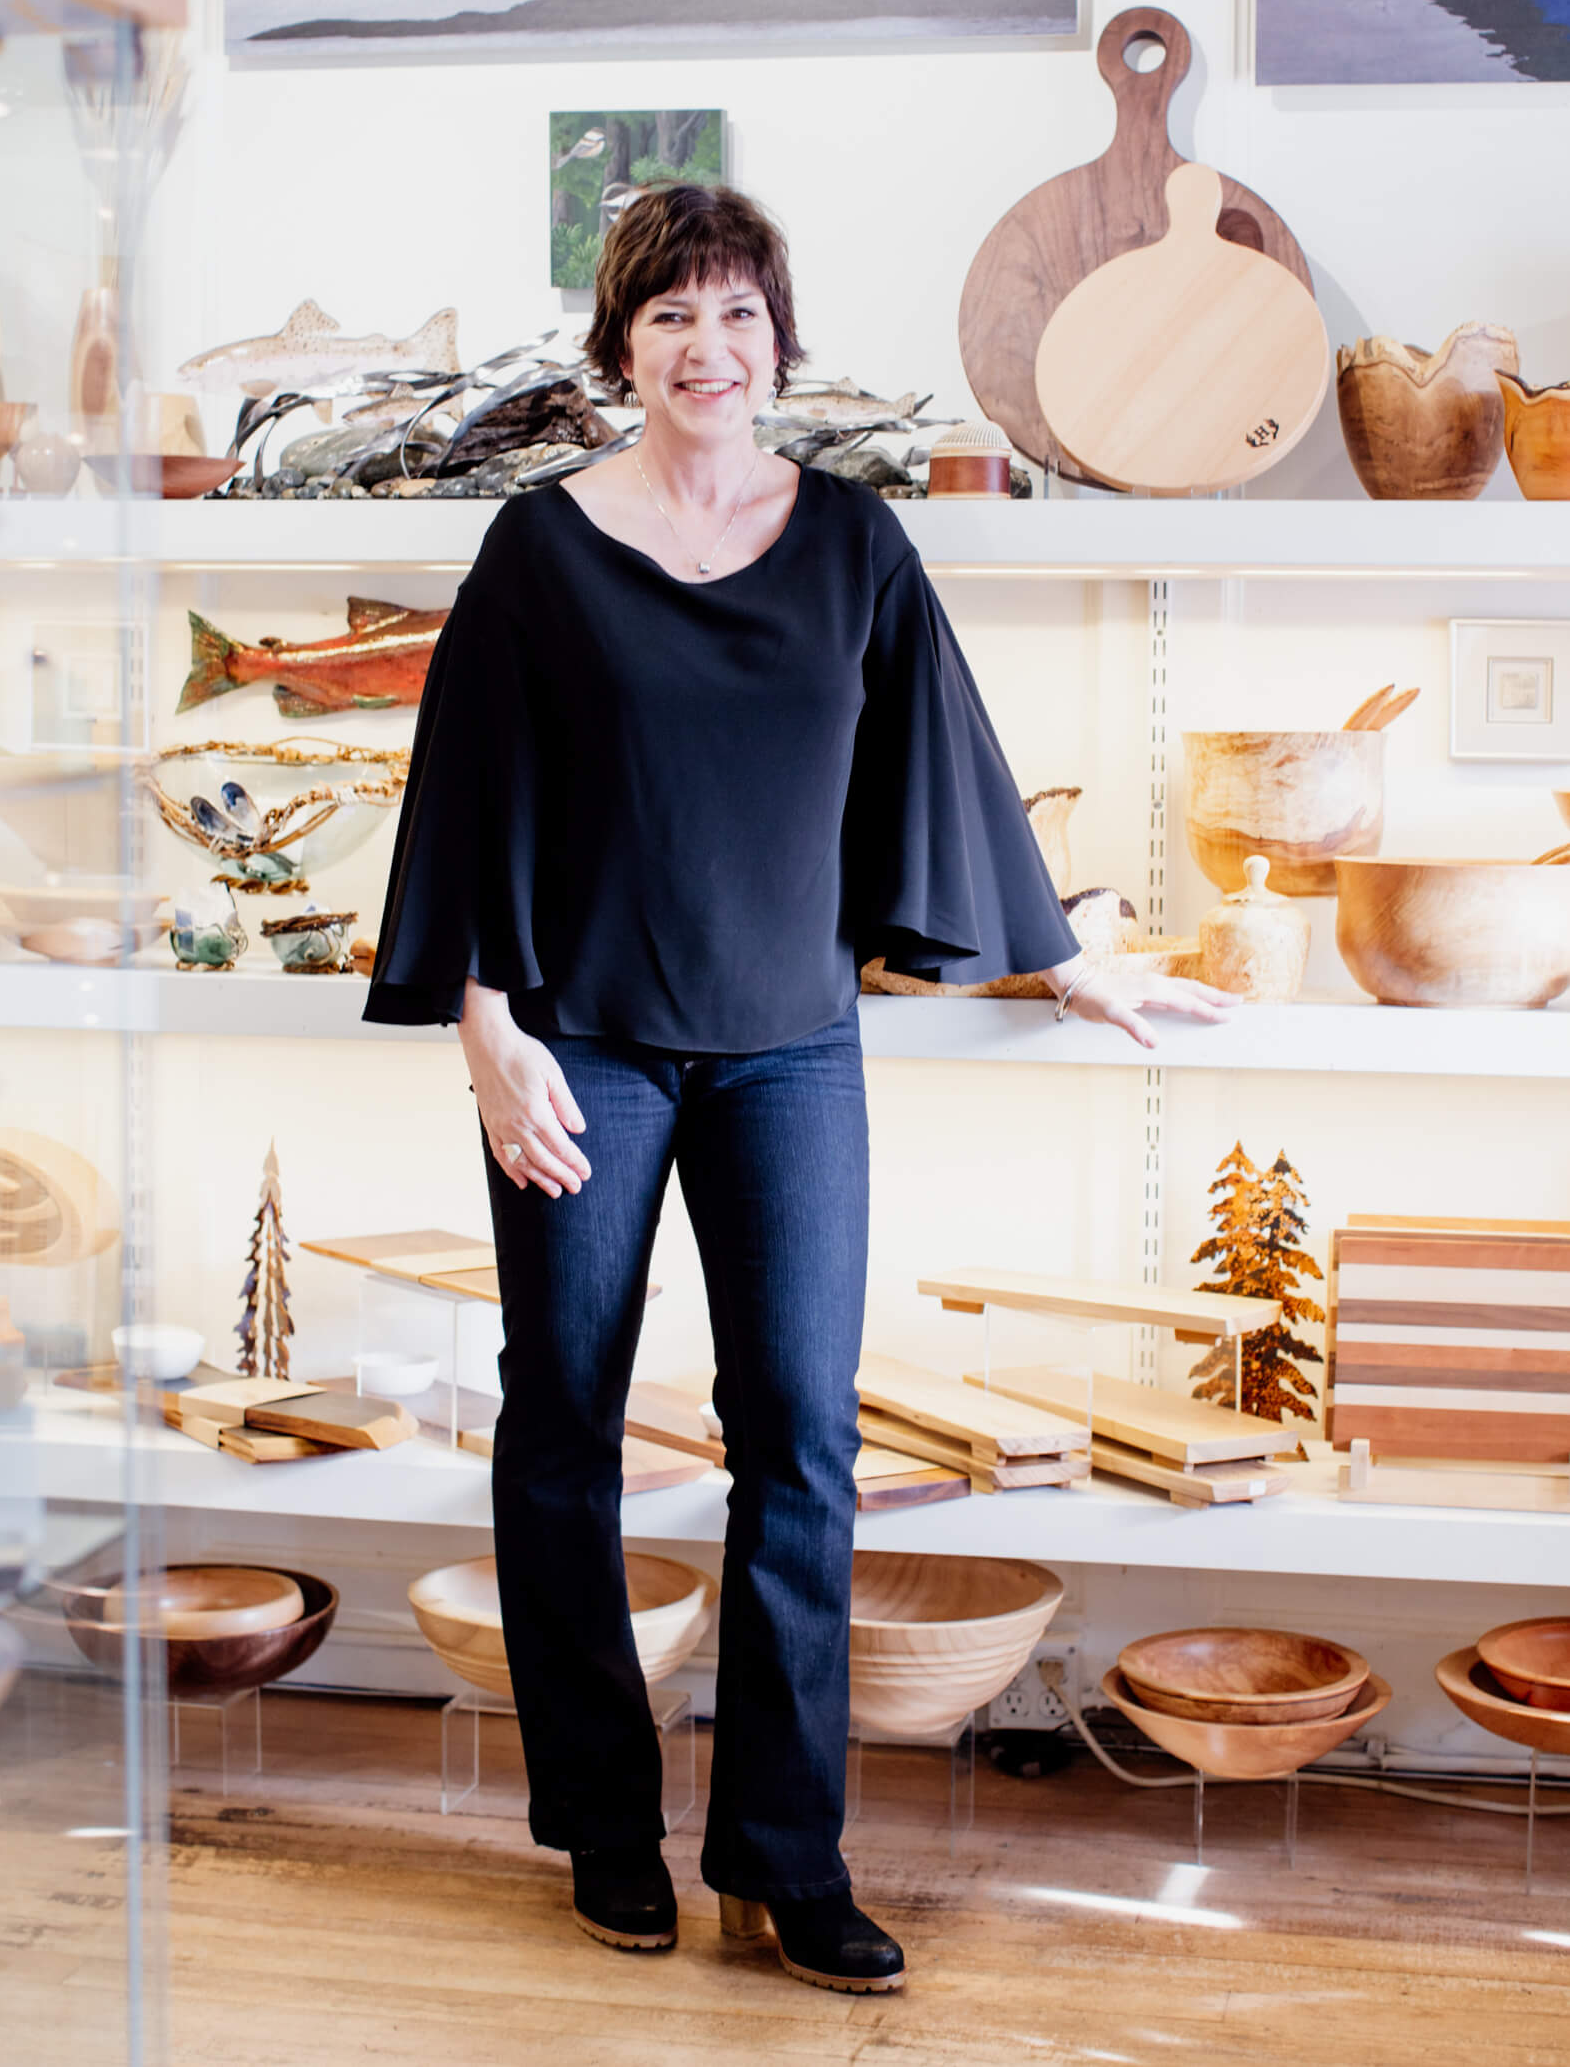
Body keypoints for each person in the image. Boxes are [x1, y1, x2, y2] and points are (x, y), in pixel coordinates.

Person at [364, 184, 1235, 1995]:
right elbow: (462, 795)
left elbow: (950, 771)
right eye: (673, 315)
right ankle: (606, 1833)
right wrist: (485, 1026)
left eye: (740, 312)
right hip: (576, 1047)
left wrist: (1059, 960)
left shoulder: (853, 544)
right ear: (623, 346)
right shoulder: (538, 549)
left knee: (802, 1447)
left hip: (785, 1051)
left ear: (781, 339)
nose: (710, 346)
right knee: (564, 1430)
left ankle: (783, 1854)